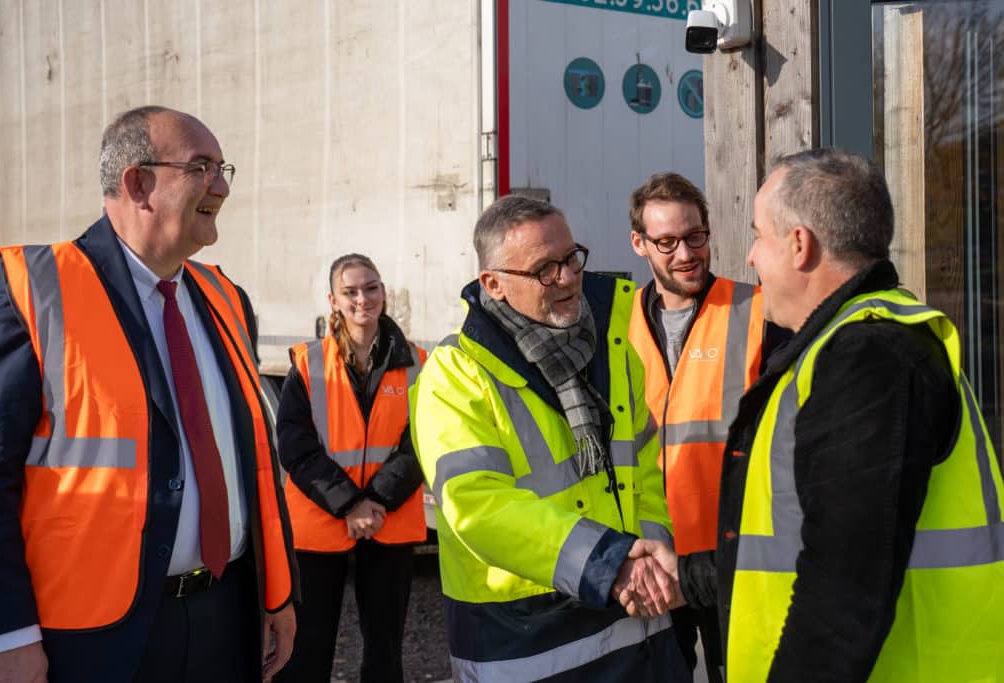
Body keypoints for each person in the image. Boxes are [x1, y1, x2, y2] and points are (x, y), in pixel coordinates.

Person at [652, 148, 1004, 681]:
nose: (750, 258)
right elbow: (798, 543)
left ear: (799, 245)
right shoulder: (851, 349)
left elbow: (841, 593)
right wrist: (687, 576)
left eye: (758, 236)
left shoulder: (869, 359)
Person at [0, 105, 299, 682]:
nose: (222, 185)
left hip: (224, 616)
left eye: (224, 168)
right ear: (137, 183)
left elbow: (251, 463)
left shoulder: (225, 298)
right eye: (202, 167)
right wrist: (7, 633)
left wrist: (277, 595)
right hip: (91, 638)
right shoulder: (29, 288)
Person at [410, 195, 691, 681]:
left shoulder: (613, 346)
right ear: (492, 284)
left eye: (570, 258)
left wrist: (651, 554)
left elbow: (644, 465)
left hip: (637, 620)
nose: (566, 277)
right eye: (543, 269)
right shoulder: (456, 373)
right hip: (526, 642)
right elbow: (478, 507)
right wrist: (609, 563)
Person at [626, 172, 785, 682]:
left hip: (728, 554)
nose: (686, 253)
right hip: (649, 553)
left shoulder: (757, 310)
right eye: (667, 242)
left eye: (696, 236)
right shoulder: (615, 324)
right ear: (639, 244)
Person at [274, 253, 427, 682]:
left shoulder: (417, 362)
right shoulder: (309, 363)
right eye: (351, 291)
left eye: (372, 287)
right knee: (307, 651)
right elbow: (295, 447)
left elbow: (421, 443)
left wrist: (374, 502)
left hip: (388, 522)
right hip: (320, 524)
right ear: (334, 300)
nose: (364, 299)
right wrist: (349, 505)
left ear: (384, 292)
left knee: (385, 653)